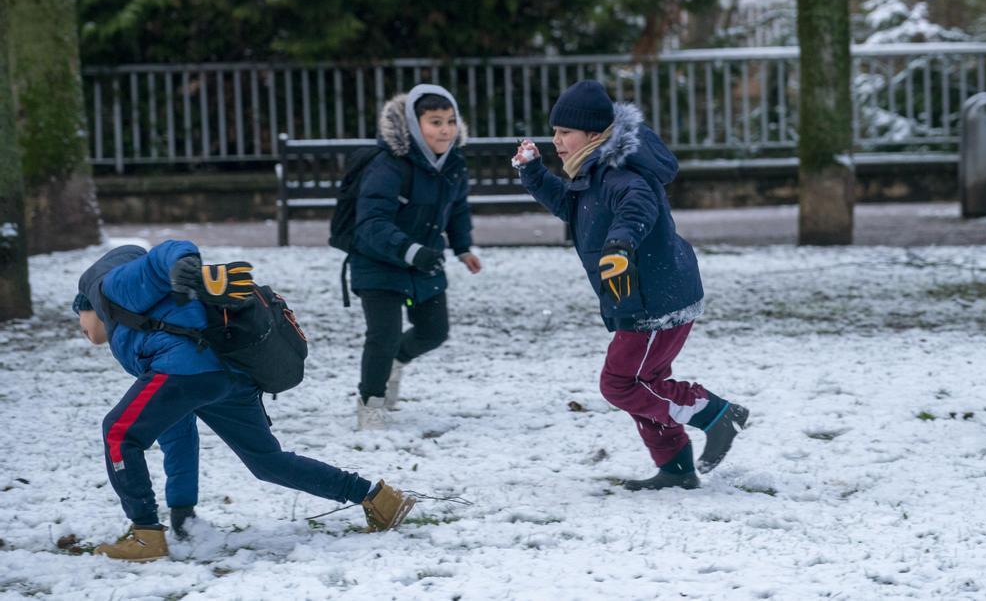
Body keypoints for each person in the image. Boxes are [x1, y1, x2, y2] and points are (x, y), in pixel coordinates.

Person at [75, 241, 415, 561]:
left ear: (88, 306)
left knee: (118, 433)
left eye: (79, 318)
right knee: (267, 462)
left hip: (187, 371)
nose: (83, 330)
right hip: (225, 375)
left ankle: (144, 535)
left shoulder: (108, 286)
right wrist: (181, 508)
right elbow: (177, 434)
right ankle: (376, 496)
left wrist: (185, 266)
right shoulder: (143, 324)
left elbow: (165, 252)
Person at [512, 80, 749, 490]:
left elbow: (638, 208)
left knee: (620, 384)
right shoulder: (592, 171)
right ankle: (675, 468)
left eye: (565, 133)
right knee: (641, 386)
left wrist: (621, 243)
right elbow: (570, 205)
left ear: (594, 134)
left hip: (657, 302)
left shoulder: (622, 174)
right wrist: (533, 173)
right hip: (639, 297)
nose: (557, 141)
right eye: (554, 132)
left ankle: (715, 414)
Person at [349, 84, 482, 430]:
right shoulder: (388, 165)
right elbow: (371, 222)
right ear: (413, 125)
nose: (445, 130)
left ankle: (395, 362)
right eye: (435, 122)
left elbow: (458, 209)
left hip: (424, 260)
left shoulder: (453, 163)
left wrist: (463, 247)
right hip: (377, 261)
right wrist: (410, 250)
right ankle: (371, 402)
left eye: (451, 121)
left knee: (434, 331)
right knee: (384, 333)